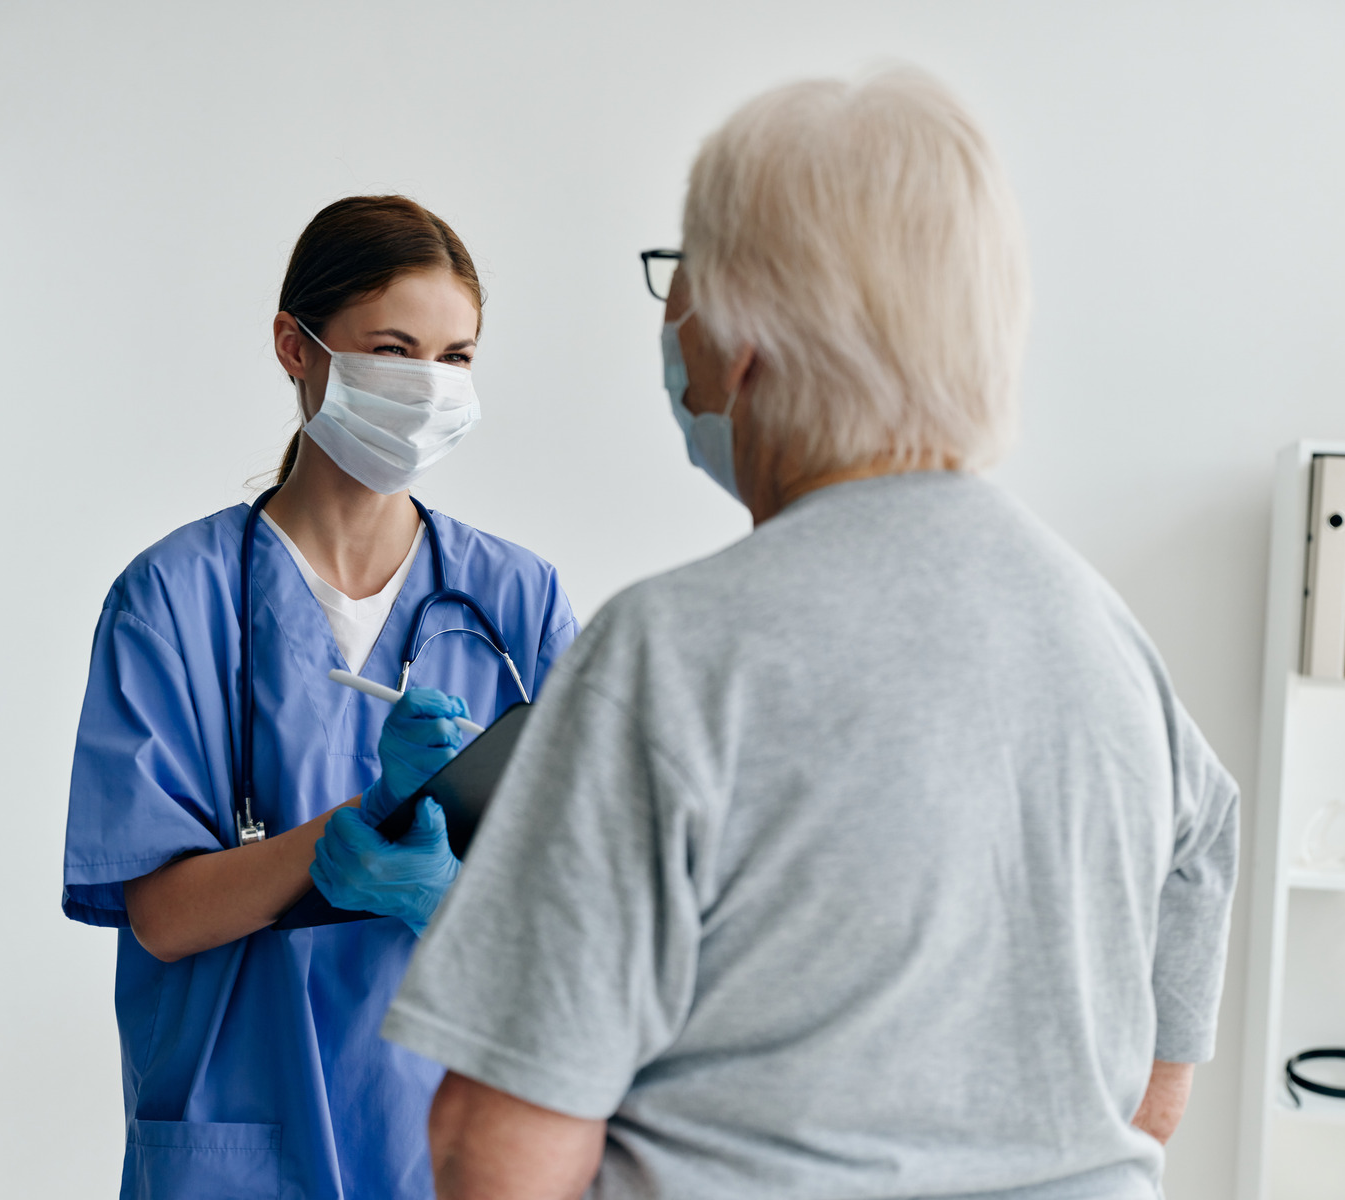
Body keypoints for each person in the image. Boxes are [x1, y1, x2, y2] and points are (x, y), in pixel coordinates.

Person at [382, 72, 1239, 1200]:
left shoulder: (670, 658)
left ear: (746, 340)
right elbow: (1155, 1076)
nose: (669, 321)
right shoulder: (1107, 643)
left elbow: (494, 1148)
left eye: (677, 278)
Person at [61, 195, 578, 1199]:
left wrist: (448, 896)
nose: (429, 387)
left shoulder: (518, 601)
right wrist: (345, 840)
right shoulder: (175, 597)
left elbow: (577, 900)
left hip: (454, 1136)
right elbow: (160, 913)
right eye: (395, 347)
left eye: (456, 357)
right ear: (295, 348)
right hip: (241, 1141)